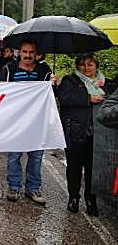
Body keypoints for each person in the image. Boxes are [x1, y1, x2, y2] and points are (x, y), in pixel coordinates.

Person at [0, 40, 55, 206]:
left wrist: (53, 84)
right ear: (19, 52)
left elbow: (52, 96)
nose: (28, 55)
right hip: (16, 121)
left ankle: (33, 188)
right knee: (14, 156)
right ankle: (14, 187)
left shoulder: (45, 71)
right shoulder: (9, 69)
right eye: (24, 52)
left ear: (36, 54)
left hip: (38, 121)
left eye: (31, 52)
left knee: (36, 157)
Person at [57, 53, 104, 216]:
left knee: (93, 169)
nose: (86, 68)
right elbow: (65, 98)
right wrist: (88, 98)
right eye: (83, 64)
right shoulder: (69, 81)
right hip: (74, 131)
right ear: (77, 66)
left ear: (96, 66)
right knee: (74, 167)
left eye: (90, 64)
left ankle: (91, 200)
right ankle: (73, 198)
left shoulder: (104, 83)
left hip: (97, 134)